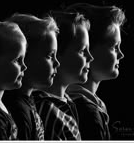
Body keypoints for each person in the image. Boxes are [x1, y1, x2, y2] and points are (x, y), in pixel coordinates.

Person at [65, 3, 126, 140]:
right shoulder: (86, 111)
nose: (121, 54)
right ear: (89, 49)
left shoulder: (91, 104)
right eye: (114, 47)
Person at [32, 11, 93, 140]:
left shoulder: (67, 102)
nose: (90, 57)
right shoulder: (47, 110)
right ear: (57, 53)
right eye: (82, 51)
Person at [3, 13, 60, 140]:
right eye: (50, 56)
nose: (57, 63)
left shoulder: (29, 101)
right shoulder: (17, 110)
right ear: (24, 57)